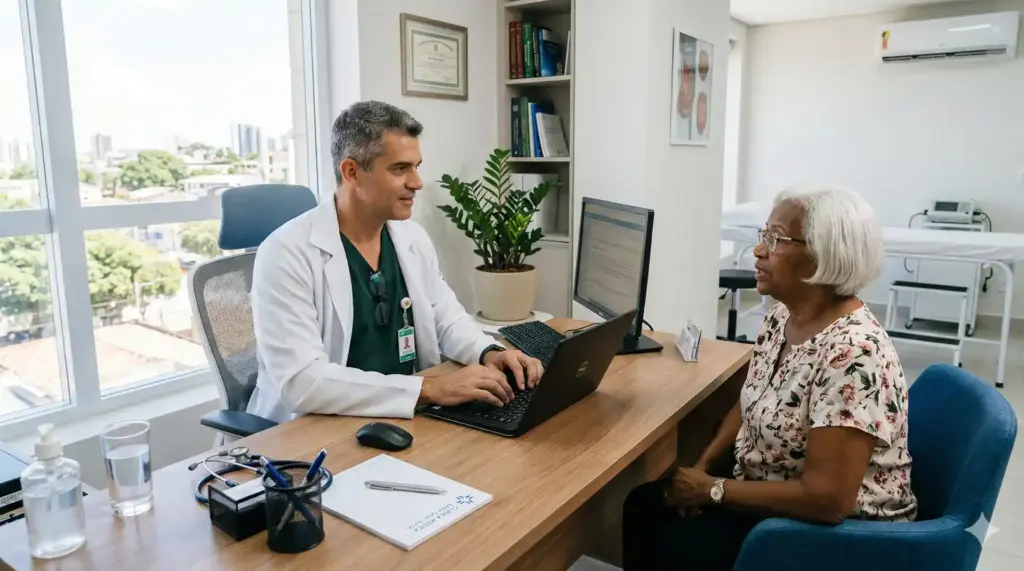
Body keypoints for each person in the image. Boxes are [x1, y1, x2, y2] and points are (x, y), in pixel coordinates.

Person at [622, 184, 917, 570]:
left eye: (776, 240)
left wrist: (714, 491)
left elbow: (827, 500)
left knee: (660, 527)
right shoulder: (783, 316)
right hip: (772, 494)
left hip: (836, 536)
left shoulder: (853, 352)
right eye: (765, 235)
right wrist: (705, 467)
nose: (759, 250)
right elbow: (751, 402)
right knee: (647, 502)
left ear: (823, 255)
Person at [247, 100, 544, 423]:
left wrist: (490, 353)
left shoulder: (411, 238)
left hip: (402, 416)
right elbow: (303, 383)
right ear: (352, 172)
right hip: (315, 431)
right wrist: (429, 389)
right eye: (400, 169)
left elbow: (447, 318)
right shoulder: (285, 253)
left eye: (416, 166)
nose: (417, 182)